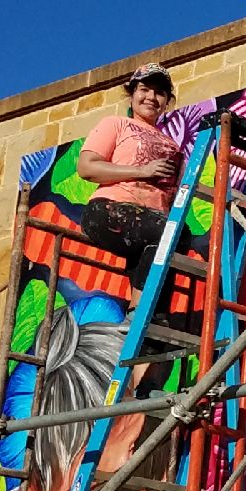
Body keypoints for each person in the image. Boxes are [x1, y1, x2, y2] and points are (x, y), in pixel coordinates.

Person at [76, 62, 183, 311]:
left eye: (160, 93)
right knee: (171, 233)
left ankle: (141, 317)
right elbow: (87, 167)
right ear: (132, 94)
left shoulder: (173, 145)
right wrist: (141, 171)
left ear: (167, 100)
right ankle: (141, 313)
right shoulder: (116, 124)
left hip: (154, 221)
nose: (151, 97)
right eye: (145, 89)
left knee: (165, 247)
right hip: (109, 211)